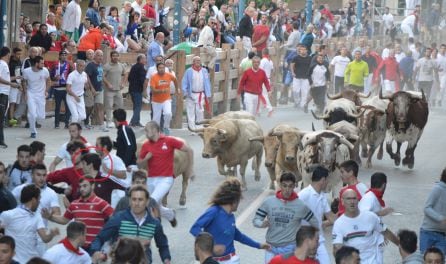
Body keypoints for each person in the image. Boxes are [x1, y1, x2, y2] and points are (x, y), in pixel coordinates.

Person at [190, 178, 270, 263]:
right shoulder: (214, 211)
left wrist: (258, 245)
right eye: (239, 200)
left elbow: (238, 235)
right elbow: (195, 228)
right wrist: (212, 247)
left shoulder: (231, 216)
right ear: (234, 200)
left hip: (231, 260)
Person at [90, 185, 171, 264]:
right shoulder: (119, 219)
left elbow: (162, 245)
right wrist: (95, 251)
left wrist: (166, 259)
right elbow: (100, 238)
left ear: (147, 201)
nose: (136, 203)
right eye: (134, 199)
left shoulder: (154, 223)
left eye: (140, 199)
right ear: (129, 201)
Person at [253, 172, 319, 263]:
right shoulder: (269, 202)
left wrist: (310, 241)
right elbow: (255, 220)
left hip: (289, 248)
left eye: (290, 186)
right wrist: (262, 224)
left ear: (294, 186)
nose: (287, 189)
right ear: (280, 185)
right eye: (284, 186)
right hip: (270, 247)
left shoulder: (301, 206)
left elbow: (315, 223)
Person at [137, 121, 193, 225]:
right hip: (151, 179)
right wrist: (145, 159)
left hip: (166, 179)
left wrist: (190, 169)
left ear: (154, 130)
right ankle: (170, 214)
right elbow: (139, 165)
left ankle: (145, 226)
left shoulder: (169, 141)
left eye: (147, 130)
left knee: (151, 201)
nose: (145, 133)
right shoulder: (146, 145)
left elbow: (189, 150)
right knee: (154, 204)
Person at [42, 175, 114, 251]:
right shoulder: (74, 204)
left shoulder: (101, 203)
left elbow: (114, 219)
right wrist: (50, 217)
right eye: (80, 187)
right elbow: (64, 220)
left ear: (93, 186)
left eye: (85, 186)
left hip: (95, 247)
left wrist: (107, 235)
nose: (82, 189)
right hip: (78, 247)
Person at [332, 189, 399, 264]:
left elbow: (386, 232)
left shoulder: (371, 217)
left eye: (354, 198)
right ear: (342, 201)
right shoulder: (338, 224)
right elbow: (337, 248)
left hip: (372, 260)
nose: (352, 202)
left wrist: (401, 246)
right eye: (348, 199)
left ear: (358, 200)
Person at [0, 184, 59, 263]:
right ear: (33, 200)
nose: (39, 203)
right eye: (39, 200)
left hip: (31, 261)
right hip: (15, 261)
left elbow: (45, 238)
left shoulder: (37, 216)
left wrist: (52, 234)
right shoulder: (9, 215)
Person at [298, 166, 337, 264]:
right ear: (323, 180)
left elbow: (330, 216)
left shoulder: (322, 196)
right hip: (304, 241)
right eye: (327, 180)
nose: (328, 182)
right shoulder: (303, 195)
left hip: (319, 240)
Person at [22, 56, 51, 138]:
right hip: (30, 94)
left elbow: (49, 80)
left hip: (41, 95)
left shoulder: (45, 70)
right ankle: (33, 131)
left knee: (41, 116)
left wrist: (46, 91)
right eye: (42, 63)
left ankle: (31, 115)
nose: (43, 64)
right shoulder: (26, 71)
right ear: (36, 63)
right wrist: (25, 93)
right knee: (32, 115)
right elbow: (24, 81)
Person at [420, 168, 446, 255]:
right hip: (428, 231)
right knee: (424, 258)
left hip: (442, 234)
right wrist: (440, 218)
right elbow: (427, 208)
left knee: (440, 260)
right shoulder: (438, 188)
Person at [182, 56, 212, 131]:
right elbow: (184, 82)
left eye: (199, 60)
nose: (198, 62)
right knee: (190, 111)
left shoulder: (204, 71)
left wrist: (208, 94)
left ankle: (199, 127)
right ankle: (192, 127)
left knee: (200, 110)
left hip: (200, 94)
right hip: (191, 93)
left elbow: (207, 82)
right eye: (196, 60)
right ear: (193, 62)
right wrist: (185, 92)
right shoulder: (189, 71)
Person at [0, 47, 21, 148]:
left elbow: (6, 78)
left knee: (1, 118)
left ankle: (1, 140)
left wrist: (14, 79)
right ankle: (1, 140)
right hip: (1, 94)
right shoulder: (2, 64)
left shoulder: (4, 64)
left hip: (4, 93)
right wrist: (10, 84)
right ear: (7, 54)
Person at [149, 63, 178, 135]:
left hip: (166, 99)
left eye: (163, 68)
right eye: (160, 68)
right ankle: (156, 133)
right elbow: (153, 90)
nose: (162, 69)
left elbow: (175, 80)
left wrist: (177, 89)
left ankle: (166, 127)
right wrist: (161, 91)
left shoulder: (169, 75)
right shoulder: (154, 77)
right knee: (156, 119)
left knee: (168, 113)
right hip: (156, 101)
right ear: (157, 69)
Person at [85, 50, 108, 132]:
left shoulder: (100, 65)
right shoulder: (90, 65)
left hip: (99, 89)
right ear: (94, 56)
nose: (100, 57)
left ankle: (102, 125)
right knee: (89, 107)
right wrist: (92, 88)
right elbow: (87, 76)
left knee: (100, 106)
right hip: (91, 90)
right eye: (98, 55)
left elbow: (101, 76)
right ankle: (86, 121)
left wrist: (105, 84)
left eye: (102, 55)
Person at [50, 50, 73, 129]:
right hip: (57, 88)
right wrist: (54, 78)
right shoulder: (55, 64)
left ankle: (67, 124)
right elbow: (51, 75)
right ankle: (56, 124)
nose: (64, 56)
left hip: (66, 88)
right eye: (62, 55)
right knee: (57, 107)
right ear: (59, 56)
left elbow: (71, 75)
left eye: (65, 55)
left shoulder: (69, 65)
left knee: (68, 107)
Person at [103, 51, 126, 128]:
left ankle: (117, 120)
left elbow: (125, 74)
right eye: (114, 56)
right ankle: (108, 121)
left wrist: (123, 83)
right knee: (109, 106)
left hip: (118, 90)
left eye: (117, 56)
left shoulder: (121, 65)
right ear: (111, 57)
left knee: (120, 106)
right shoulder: (106, 66)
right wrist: (108, 84)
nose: (115, 57)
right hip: (109, 90)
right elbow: (102, 77)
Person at [290, 45, 312, 111]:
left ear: (306, 50)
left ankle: (303, 105)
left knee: (305, 92)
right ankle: (297, 102)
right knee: (295, 91)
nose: (303, 51)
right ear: (299, 50)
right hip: (297, 77)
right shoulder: (296, 58)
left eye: (304, 49)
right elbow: (292, 65)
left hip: (305, 78)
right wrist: (293, 72)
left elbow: (311, 67)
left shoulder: (309, 58)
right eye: (301, 49)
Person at [128, 54, 147, 127]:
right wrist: (144, 90)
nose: (146, 60)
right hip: (137, 90)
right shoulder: (141, 68)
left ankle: (137, 121)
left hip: (132, 89)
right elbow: (143, 80)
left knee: (136, 106)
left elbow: (129, 78)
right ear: (141, 59)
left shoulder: (133, 67)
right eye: (145, 58)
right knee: (138, 106)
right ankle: (133, 121)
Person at [7, 47, 23, 128]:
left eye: (20, 54)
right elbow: (7, 76)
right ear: (13, 53)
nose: (19, 56)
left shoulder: (19, 61)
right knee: (12, 103)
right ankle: (11, 120)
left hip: (18, 85)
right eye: (18, 54)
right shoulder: (10, 63)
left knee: (17, 103)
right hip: (12, 85)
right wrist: (15, 79)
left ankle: (14, 119)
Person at [259, 48, 274, 117]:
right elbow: (272, 71)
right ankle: (259, 110)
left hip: (263, 79)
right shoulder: (270, 61)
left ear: (263, 53)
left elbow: (260, 71)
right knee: (261, 94)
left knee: (263, 95)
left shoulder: (263, 61)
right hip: (268, 78)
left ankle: (269, 108)